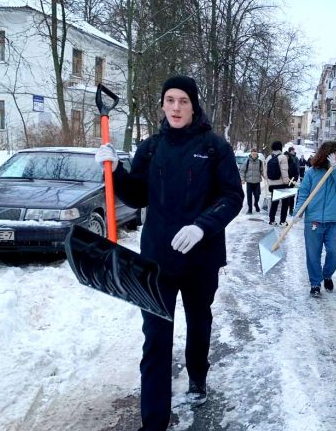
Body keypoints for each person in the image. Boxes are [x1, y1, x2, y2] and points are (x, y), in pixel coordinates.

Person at [95, 75, 243, 431]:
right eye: (170, 100)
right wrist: (115, 172)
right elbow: (136, 196)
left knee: (198, 321)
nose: (176, 107)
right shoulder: (151, 147)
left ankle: (197, 373)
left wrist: (202, 226)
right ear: (162, 105)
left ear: (194, 106)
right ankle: (154, 422)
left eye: (183, 101)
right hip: (157, 261)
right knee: (156, 340)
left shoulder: (213, 147)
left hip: (200, 258)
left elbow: (232, 196)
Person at [294, 141, 336, 297]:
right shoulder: (312, 172)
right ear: (327, 153)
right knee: (313, 253)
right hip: (313, 219)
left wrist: (333, 169)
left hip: (334, 220)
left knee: (334, 252)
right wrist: (297, 212)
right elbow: (304, 193)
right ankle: (315, 283)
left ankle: (327, 274)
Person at [266, 140, 290, 226]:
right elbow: (284, 171)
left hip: (273, 184)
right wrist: (286, 182)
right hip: (282, 184)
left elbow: (266, 173)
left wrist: (270, 183)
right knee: (284, 203)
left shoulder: (268, 158)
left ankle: (272, 220)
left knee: (274, 203)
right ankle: (282, 221)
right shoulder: (283, 157)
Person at [240, 147, 265, 214]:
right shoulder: (247, 161)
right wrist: (242, 179)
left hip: (257, 182)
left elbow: (262, 171)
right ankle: (250, 209)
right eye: (253, 154)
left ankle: (256, 204)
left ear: (257, 155)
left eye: (255, 154)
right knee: (249, 196)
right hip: (249, 182)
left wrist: (266, 177)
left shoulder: (259, 162)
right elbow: (242, 171)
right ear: (251, 154)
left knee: (257, 195)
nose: (254, 156)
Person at [285, 146, 300, 216]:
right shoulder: (283, 164)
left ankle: (291, 209)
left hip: (292, 181)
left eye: (287, 157)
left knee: (291, 197)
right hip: (284, 182)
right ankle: (285, 209)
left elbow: (296, 172)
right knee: (285, 196)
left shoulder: (293, 163)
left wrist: (294, 180)